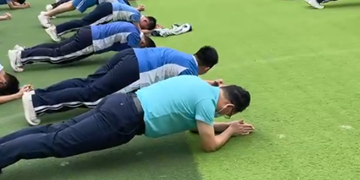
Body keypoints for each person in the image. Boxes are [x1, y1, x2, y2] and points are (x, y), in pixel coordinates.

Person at [0, 75, 253, 180]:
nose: (223, 118)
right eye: (227, 115)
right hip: (123, 120)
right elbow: (208, 144)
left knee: (53, 131)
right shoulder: (206, 103)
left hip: (121, 104)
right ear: (228, 107)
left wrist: (223, 127)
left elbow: (195, 127)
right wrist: (230, 131)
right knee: (55, 142)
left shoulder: (199, 85)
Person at [21, 45, 219, 125]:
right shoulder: (189, 71)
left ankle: (37, 95)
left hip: (130, 55)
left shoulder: (184, 57)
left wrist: (208, 83)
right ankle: (36, 103)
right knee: (93, 95)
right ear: (207, 68)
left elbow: (185, 80)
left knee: (88, 83)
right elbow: (186, 90)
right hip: (135, 69)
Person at [7, 22, 155, 72]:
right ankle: (21, 57)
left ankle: (24, 51)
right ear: (143, 44)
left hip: (89, 32)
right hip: (91, 41)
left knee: (57, 48)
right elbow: (132, 54)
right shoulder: (135, 37)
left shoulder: (132, 29)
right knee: (58, 56)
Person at [44, 2, 157, 41]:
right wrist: (146, 32)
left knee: (84, 23)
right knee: (85, 24)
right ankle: (56, 30)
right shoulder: (137, 16)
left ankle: (57, 30)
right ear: (145, 20)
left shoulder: (136, 13)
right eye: (144, 25)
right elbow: (138, 30)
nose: (142, 26)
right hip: (108, 11)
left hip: (107, 8)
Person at [38, 0, 132, 28]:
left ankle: (47, 13)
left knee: (70, 4)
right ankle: (46, 15)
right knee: (71, 6)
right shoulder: (121, 6)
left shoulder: (121, 4)